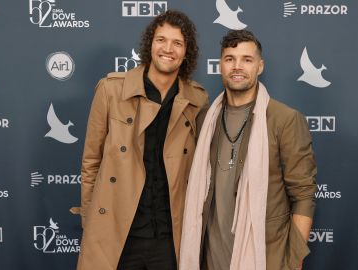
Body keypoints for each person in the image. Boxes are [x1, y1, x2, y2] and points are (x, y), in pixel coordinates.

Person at [72, 10, 209, 270]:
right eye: (161, 40)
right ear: (150, 44)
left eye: (177, 43)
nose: (168, 49)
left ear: (186, 52)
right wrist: (91, 220)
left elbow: (201, 170)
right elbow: (91, 162)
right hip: (118, 233)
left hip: (170, 237)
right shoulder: (111, 90)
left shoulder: (197, 100)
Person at [180, 30, 317, 270]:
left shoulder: (284, 119)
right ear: (221, 65)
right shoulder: (204, 119)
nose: (237, 66)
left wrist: (294, 260)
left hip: (264, 257)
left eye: (247, 59)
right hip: (209, 258)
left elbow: (304, 195)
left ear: (260, 66)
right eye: (230, 58)